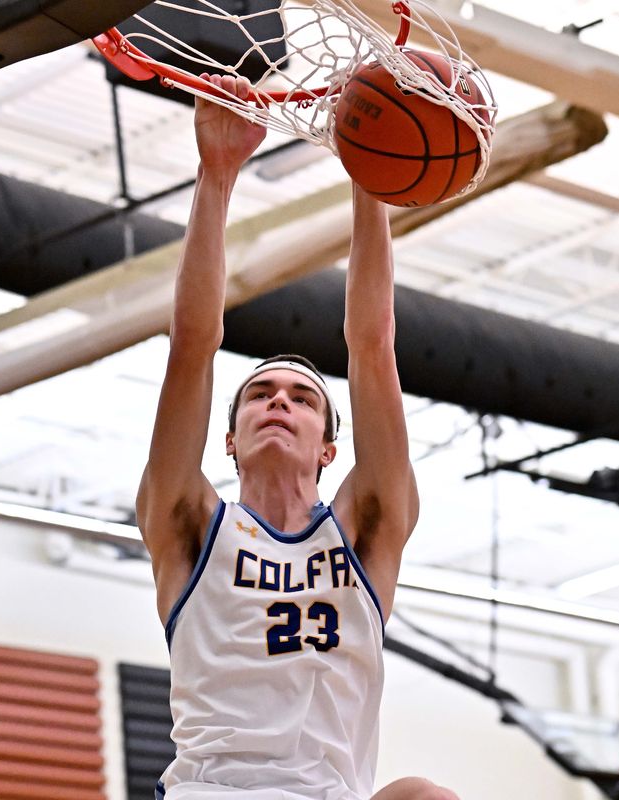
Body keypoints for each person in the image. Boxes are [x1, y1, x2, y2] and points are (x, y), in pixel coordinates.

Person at [135, 75, 457, 800]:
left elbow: (372, 344)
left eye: (303, 399)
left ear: (327, 449)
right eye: (258, 395)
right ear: (229, 440)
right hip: (214, 792)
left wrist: (370, 180)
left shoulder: (368, 528)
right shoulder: (188, 523)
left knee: (425, 797)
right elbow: (193, 341)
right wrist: (217, 174)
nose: (278, 400)